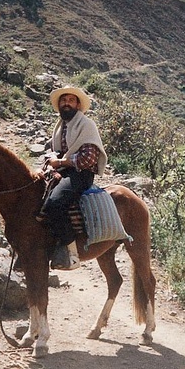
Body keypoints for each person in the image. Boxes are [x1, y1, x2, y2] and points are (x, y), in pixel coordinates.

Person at [42, 86, 107, 270]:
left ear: (78, 104)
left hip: (81, 174)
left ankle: (72, 254)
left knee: (54, 204)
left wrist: (61, 162)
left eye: (70, 100)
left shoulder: (86, 125)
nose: (66, 103)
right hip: (62, 170)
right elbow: (53, 150)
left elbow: (88, 159)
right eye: (63, 100)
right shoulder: (60, 126)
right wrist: (52, 159)